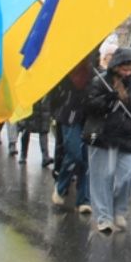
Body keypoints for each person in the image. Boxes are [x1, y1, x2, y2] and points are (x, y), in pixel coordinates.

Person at [85, 47, 131, 233]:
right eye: (124, 66)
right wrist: (107, 100)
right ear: (116, 65)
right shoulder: (101, 81)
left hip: (129, 136)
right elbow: (89, 105)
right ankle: (103, 217)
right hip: (103, 136)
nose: (128, 70)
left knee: (129, 175)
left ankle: (119, 209)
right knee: (102, 178)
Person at [51, 58, 95, 215]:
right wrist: (56, 112)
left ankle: (84, 200)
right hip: (69, 116)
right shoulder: (65, 68)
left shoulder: (93, 69)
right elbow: (55, 95)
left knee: (86, 158)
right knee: (75, 154)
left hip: (88, 117)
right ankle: (60, 187)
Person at [13, 97, 53, 166]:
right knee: (27, 128)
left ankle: (45, 156)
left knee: (43, 130)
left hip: (43, 102)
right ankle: (23, 155)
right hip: (30, 101)